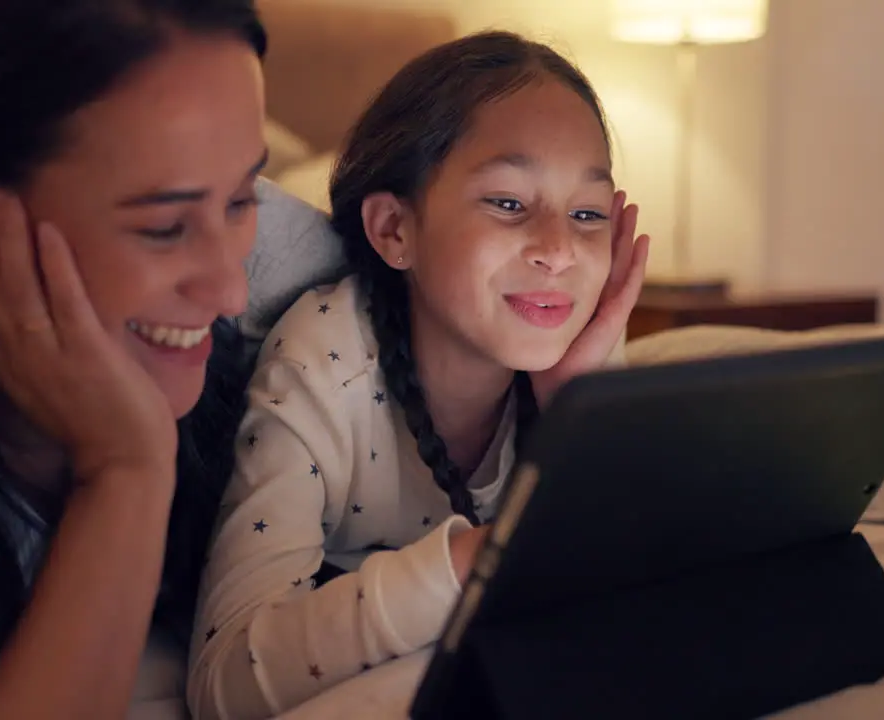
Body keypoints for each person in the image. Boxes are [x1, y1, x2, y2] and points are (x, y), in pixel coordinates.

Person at [0, 0, 348, 717]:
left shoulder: (210, 192)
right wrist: (127, 469)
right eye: (162, 228)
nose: (227, 287)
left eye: (242, 198)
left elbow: (431, 299)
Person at [188, 30, 650, 720]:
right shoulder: (322, 362)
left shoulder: (571, 354)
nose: (559, 249)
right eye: (508, 203)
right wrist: (471, 563)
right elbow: (222, 684)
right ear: (395, 230)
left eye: (587, 214)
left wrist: (574, 420)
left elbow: (626, 591)